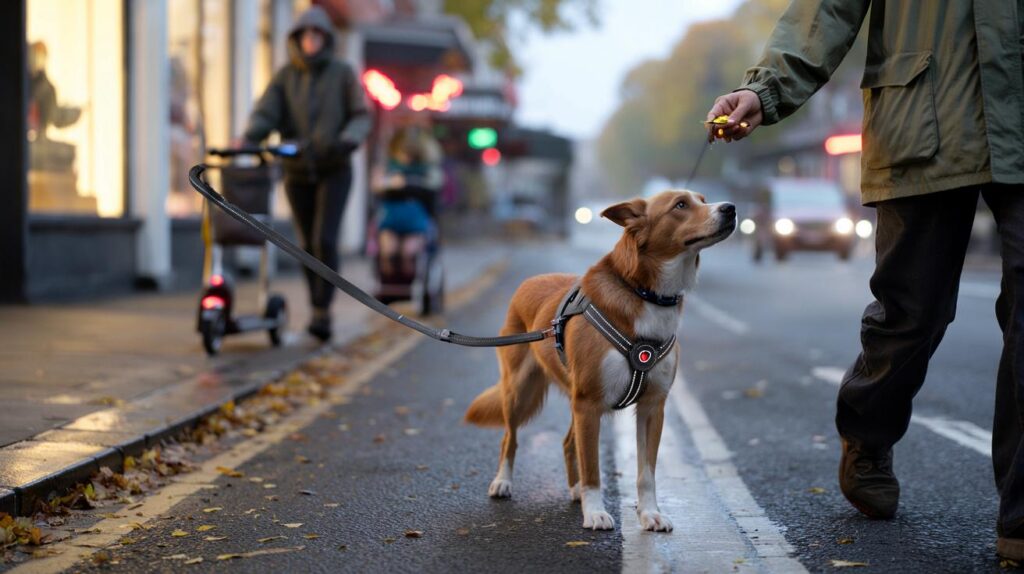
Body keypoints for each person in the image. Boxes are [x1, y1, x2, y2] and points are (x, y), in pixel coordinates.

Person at [706, 1, 1024, 560]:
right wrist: (765, 89)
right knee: (911, 312)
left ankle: (1021, 516)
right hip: (922, 118)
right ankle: (868, 433)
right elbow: (827, 8)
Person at [242, 6, 369, 342]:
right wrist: (248, 138)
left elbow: (360, 115)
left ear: (326, 39)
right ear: (296, 39)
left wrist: (347, 140)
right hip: (297, 171)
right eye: (305, 35)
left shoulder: (342, 72)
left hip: (334, 168)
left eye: (317, 35)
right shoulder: (286, 76)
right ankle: (315, 304)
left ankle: (322, 310)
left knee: (325, 239)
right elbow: (266, 111)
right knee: (305, 243)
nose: (311, 41)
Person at [373, 126, 443, 279]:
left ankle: (410, 280)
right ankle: (387, 279)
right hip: (392, 219)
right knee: (387, 250)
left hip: (416, 222)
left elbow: (434, 191)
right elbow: (377, 186)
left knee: (409, 251)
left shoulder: (426, 172)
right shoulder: (389, 169)